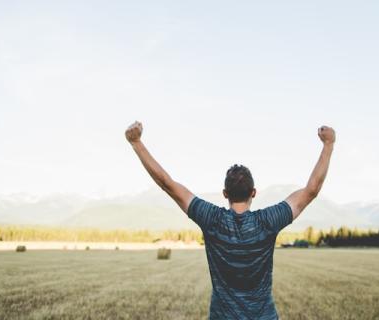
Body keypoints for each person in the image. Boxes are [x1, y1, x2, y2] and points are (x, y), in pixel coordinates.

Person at [125, 121, 335, 320]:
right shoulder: (268, 221)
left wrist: (137, 143)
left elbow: (167, 184)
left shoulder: (211, 219)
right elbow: (311, 190)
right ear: (253, 192)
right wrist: (328, 144)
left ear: (225, 193)